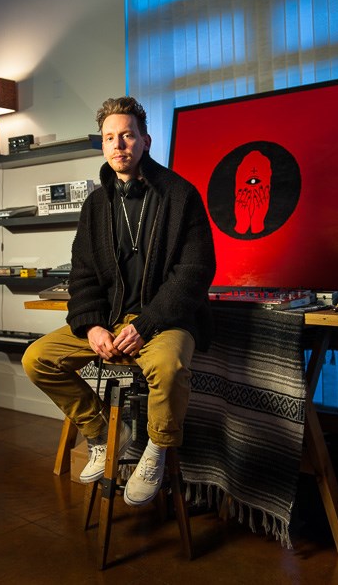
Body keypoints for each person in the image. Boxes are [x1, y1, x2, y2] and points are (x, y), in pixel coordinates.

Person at [22, 96, 216, 506]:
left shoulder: (182, 195)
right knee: (36, 358)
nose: (118, 145)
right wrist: (92, 325)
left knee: (167, 365)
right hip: (109, 319)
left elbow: (194, 272)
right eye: (110, 138)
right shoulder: (95, 205)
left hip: (164, 320)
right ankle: (100, 434)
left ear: (144, 140)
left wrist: (145, 324)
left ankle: (156, 448)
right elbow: (83, 274)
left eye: (126, 135)